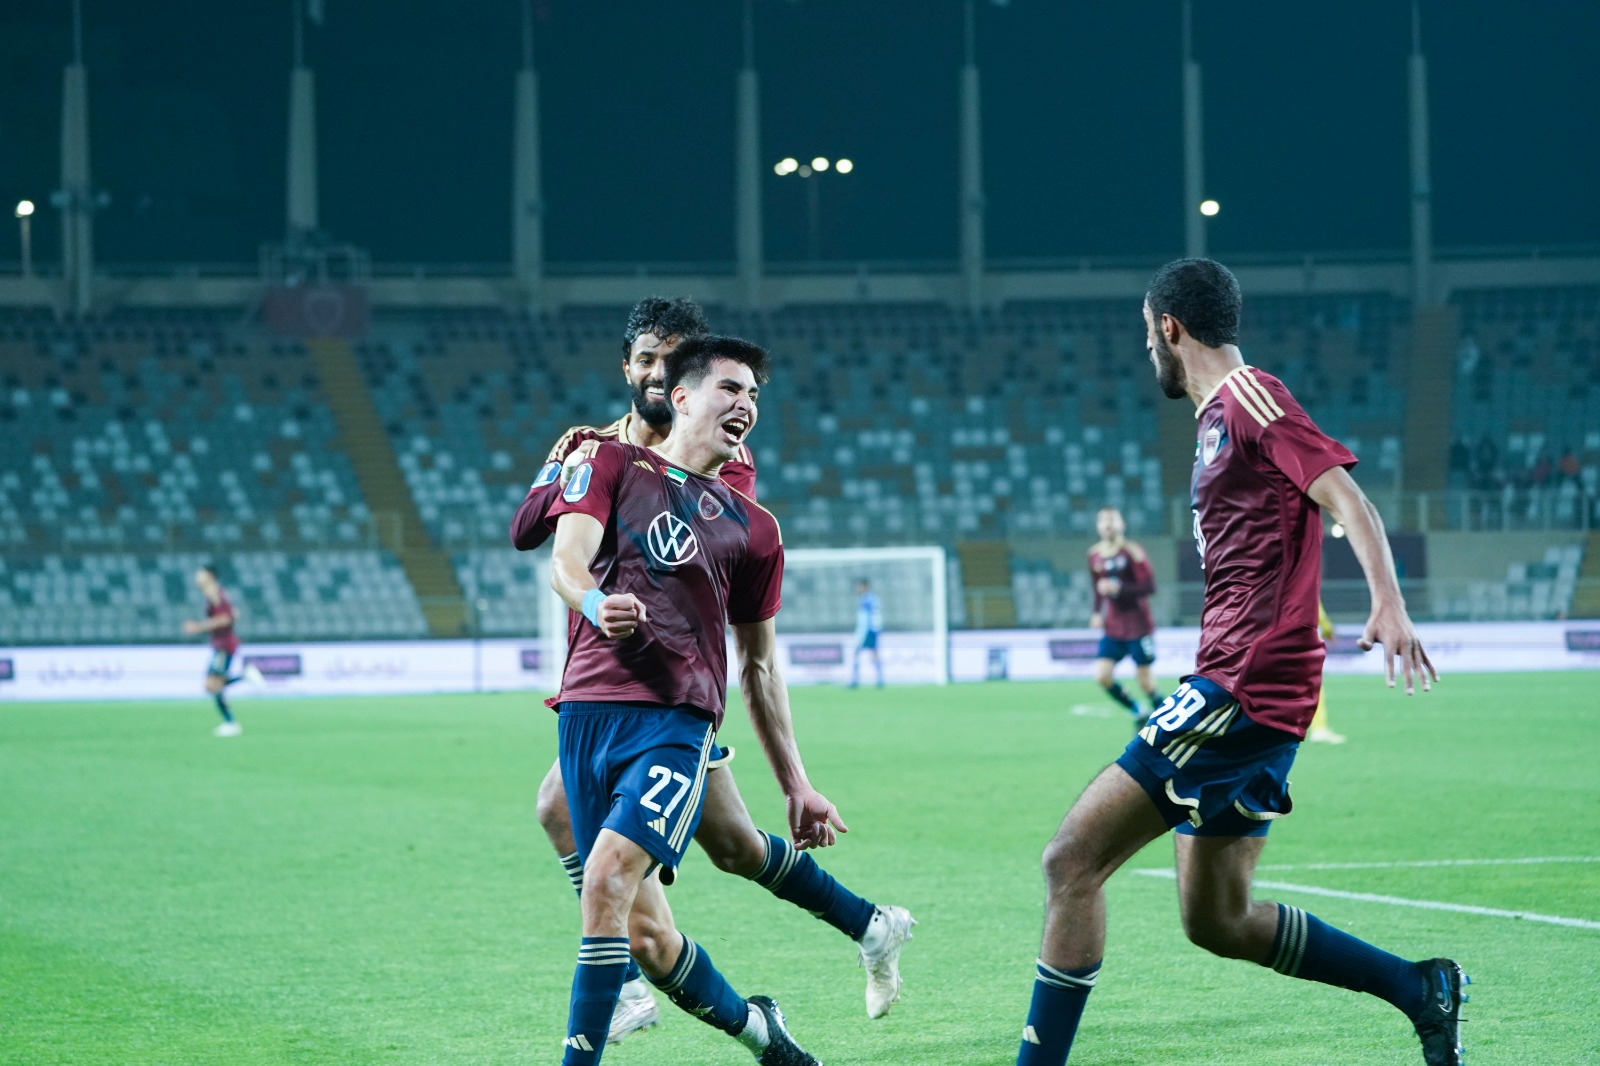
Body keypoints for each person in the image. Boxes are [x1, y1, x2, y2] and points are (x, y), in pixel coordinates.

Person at [1016, 259, 1463, 1066]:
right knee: (1217, 920)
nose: (1146, 348)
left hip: (1242, 684)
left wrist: (1388, 603)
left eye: (1146, 333)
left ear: (1169, 327)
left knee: (1070, 861)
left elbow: (1347, 497)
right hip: (1257, 688)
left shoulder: (1251, 397)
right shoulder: (1215, 421)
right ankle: (1419, 987)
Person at [512, 299, 913, 1041]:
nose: (656, 373)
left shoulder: (730, 469)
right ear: (629, 368)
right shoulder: (592, 448)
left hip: (671, 694)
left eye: (671, 362)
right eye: (646, 360)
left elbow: (707, 546)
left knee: (579, 828)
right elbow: (526, 531)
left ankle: (623, 983)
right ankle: (861, 933)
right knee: (731, 849)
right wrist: (583, 474)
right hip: (603, 688)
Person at [547, 335, 843, 1065]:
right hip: (586, 712)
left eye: (753, 395)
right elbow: (565, 559)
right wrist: (594, 603)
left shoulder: (756, 528)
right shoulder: (608, 462)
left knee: (608, 877)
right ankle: (762, 1034)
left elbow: (760, 665)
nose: (745, 404)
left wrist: (796, 783)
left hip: (678, 721)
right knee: (644, 935)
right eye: (729, 389)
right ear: (680, 397)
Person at [1086, 507, 1160, 727]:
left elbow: (1149, 586)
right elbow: (1097, 588)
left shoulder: (1132, 552)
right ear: (1098, 526)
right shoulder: (1094, 555)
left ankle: (1168, 719)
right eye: (1103, 521)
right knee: (1102, 676)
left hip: (1138, 626)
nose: (1108, 525)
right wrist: (1096, 613)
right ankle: (1138, 710)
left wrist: (1119, 588)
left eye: (1112, 520)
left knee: (1145, 681)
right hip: (1113, 628)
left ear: (1122, 525)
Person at [180, 565, 261, 737]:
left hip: (224, 644)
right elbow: (233, 613)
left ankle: (231, 721)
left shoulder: (214, 593)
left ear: (210, 576)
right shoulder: (216, 593)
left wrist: (198, 627)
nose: (197, 578)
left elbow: (226, 618)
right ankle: (231, 720)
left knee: (212, 685)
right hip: (221, 644)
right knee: (211, 686)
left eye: (200, 574)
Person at [1306, 600, 1346, 744]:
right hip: (1303, 643)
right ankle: (1319, 729)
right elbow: (1317, 609)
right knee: (1314, 687)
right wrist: (1328, 629)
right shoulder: (1304, 588)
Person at [850, 578, 884, 688]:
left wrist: (861, 633)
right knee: (874, 654)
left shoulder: (866, 600)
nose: (857, 588)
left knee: (856, 653)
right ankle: (880, 680)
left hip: (867, 630)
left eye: (859, 586)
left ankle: (855, 681)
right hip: (873, 630)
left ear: (865, 586)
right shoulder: (873, 598)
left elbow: (866, 618)